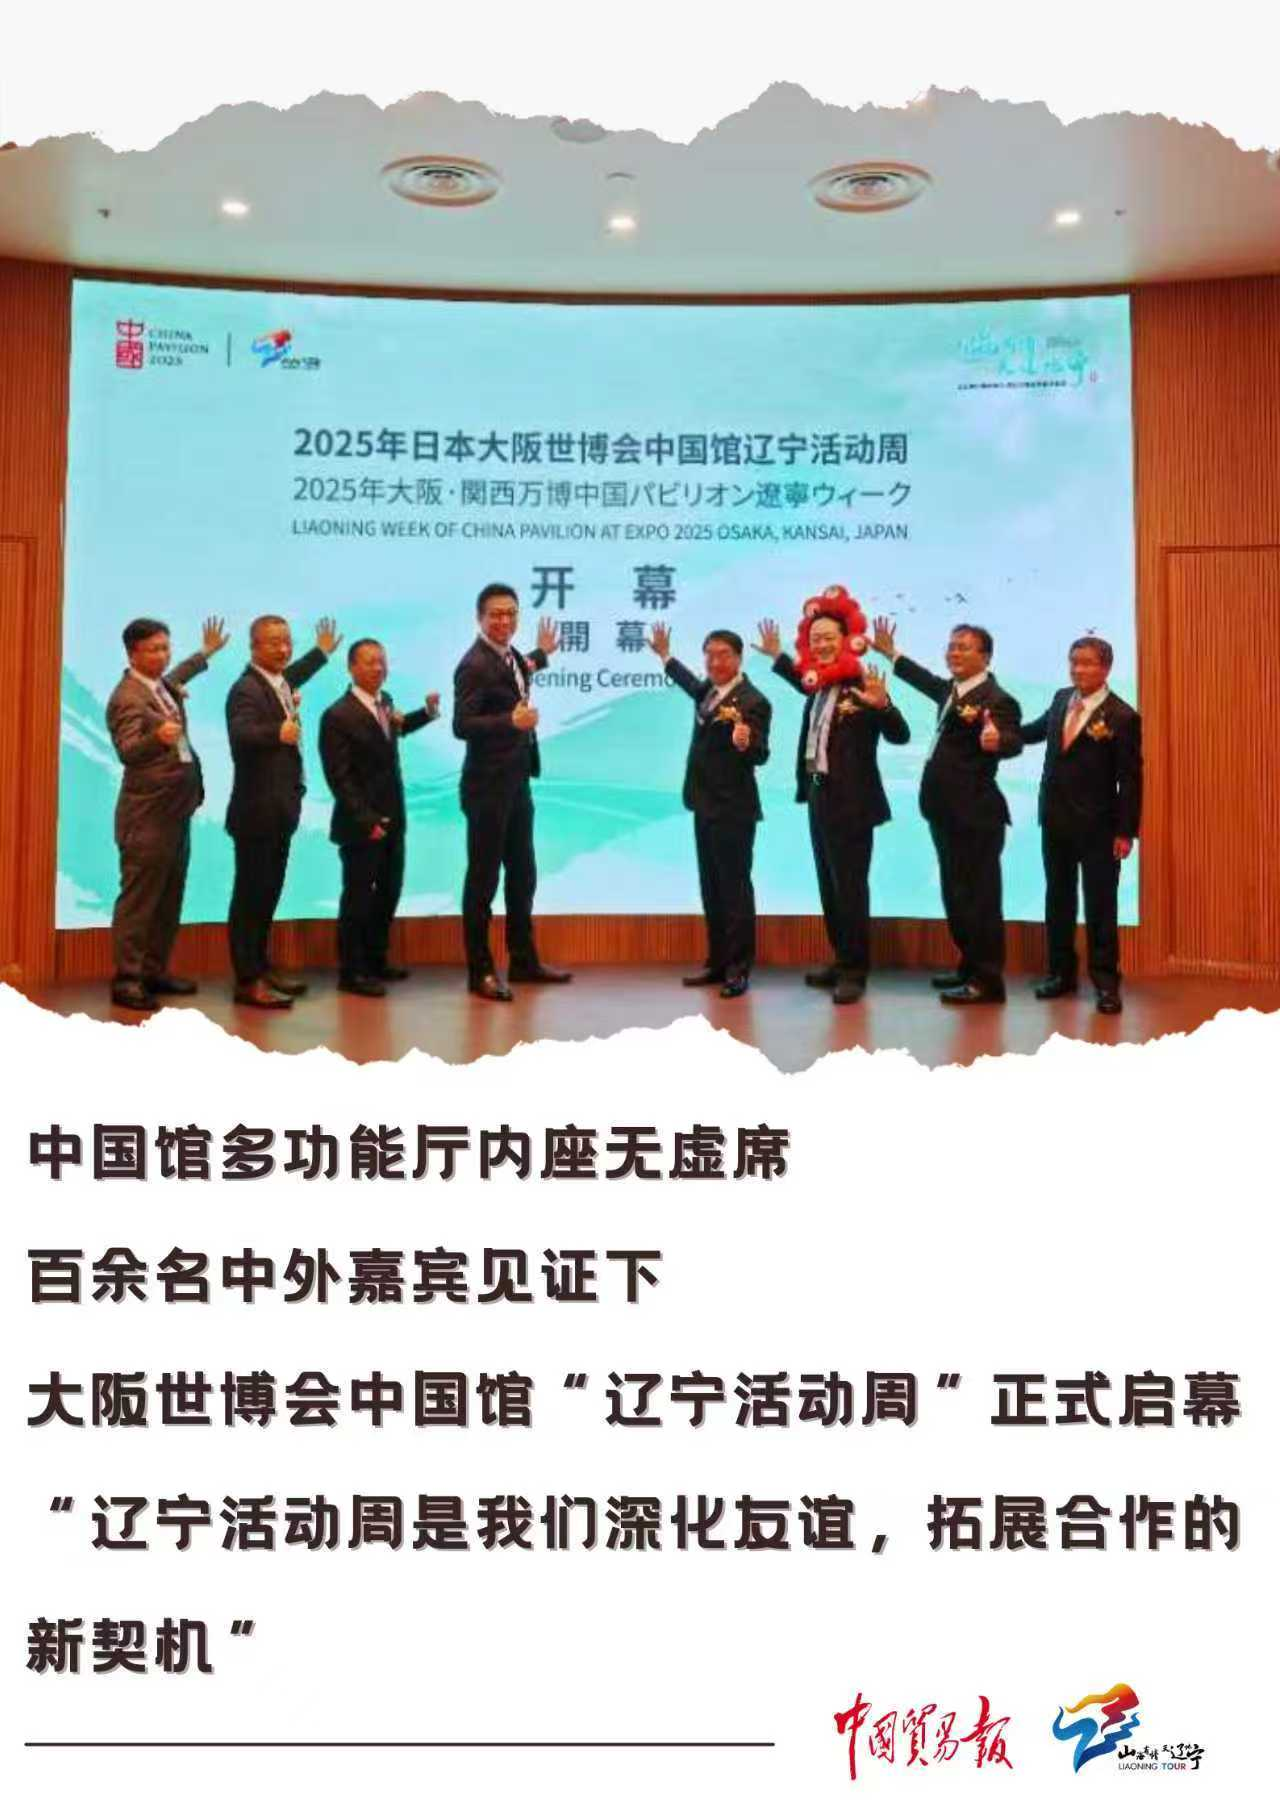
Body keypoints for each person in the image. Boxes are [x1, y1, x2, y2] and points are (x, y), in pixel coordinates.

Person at [755, 609, 910, 1004]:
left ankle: (855, 971)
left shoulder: (862, 682)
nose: (821, 644)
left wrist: (883, 706)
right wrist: (777, 657)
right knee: (829, 885)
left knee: (850, 888)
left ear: (846, 640)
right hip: (819, 795)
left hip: (853, 803)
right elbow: (800, 682)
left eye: (828, 637)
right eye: (815, 639)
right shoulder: (819, 686)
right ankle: (842, 959)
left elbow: (900, 734)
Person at [870, 616, 1022, 1004]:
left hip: (976, 816)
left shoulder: (997, 699)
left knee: (980, 900)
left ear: (985, 657)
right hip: (944, 812)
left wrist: (999, 741)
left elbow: (1012, 739)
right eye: (951, 646)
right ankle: (969, 966)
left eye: (964, 647)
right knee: (956, 895)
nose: (954, 653)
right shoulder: (952, 691)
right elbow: (924, 681)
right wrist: (891, 654)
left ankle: (988, 981)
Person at [453, 583, 571, 1000]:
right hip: (486, 787)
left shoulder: (510, 655)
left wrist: (543, 653)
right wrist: (510, 721)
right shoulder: (473, 664)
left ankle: (523, 960)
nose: (504, 621)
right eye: (496, 614)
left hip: (517, 781)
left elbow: (521, 670)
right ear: (480, 618)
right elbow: (462, 725)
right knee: (483, 880)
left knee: (523, 874)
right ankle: (480, 971)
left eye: (511, 613)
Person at [105, 615, 230, 1011]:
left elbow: (178, 676)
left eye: (166, 647)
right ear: (132, 654)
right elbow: (128, 751)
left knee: (169, 896)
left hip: (175, 810)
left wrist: (205, 653)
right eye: (154, 649)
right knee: (141, 900)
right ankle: (128, 979)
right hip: (147, 815)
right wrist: (156, 738)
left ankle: (153, 970)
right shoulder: (127, 697)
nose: (163, 655)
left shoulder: (160, 686)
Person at [647, 623, 772, 998]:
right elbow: (690, 683)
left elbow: (761, 753)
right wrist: (666, 656)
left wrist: (745, 743)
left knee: (734, 890)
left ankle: (738, 968)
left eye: (724, 655)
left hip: (734, 808)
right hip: (703, 803)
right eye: (710, 655)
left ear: (739, 658)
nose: (716, 662)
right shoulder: (709, 692)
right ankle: (717, 961)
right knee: (711, 887)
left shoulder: (754, 701)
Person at [1020, 635, 1142, 1015]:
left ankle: (1106, 983)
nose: (1078, 669)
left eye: (1087, 663)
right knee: (1058, 901)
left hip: (1099, 829)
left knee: (1100, 906)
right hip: (1055, 821)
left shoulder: (1122, 716)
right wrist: (1002, 735)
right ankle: (1061, 974)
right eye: (1074, 661)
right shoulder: (1061, 699)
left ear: (1105, 668)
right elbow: (1035, 731)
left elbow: (1130, 779)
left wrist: (1126, 831)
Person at [225, 613, 341, 1008]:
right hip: (256, 811)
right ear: (254, 647)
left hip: (279, 809)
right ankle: (247, 981)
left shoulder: (277, 683)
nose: (283, 648)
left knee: (267, 895)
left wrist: (320, 653)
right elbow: (240, 733)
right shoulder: (245, 688)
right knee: (250, 898)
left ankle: (261, 968)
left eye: (286, 640)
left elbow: (295, 674)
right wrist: (277, 731)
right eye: (273, 642)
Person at [318, 639, 441, 997]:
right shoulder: (337, 715)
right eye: (370, 662)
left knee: (389, 892)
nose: (378, 668)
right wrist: (365, 819)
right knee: (357, 898)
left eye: (382, 661)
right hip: (361, 824)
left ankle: (376, 959)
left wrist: (427, 713)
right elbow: (339, 778)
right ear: (351, 667)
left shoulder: (384, 701)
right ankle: (352, 971)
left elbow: (395, 731)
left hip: (393, 818)